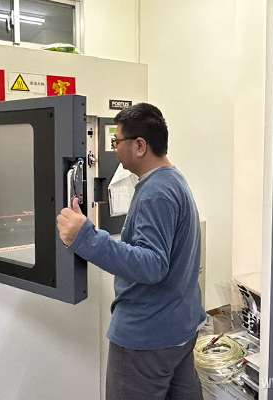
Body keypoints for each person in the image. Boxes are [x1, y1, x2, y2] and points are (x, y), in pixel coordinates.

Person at [56, 103, 205, 400]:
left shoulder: (155, 192)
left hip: (147, 338)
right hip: (178, 330)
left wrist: (85, 238)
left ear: (139, 146)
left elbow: (152, 264)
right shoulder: (173, 180)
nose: (114, 149)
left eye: (117, 141)